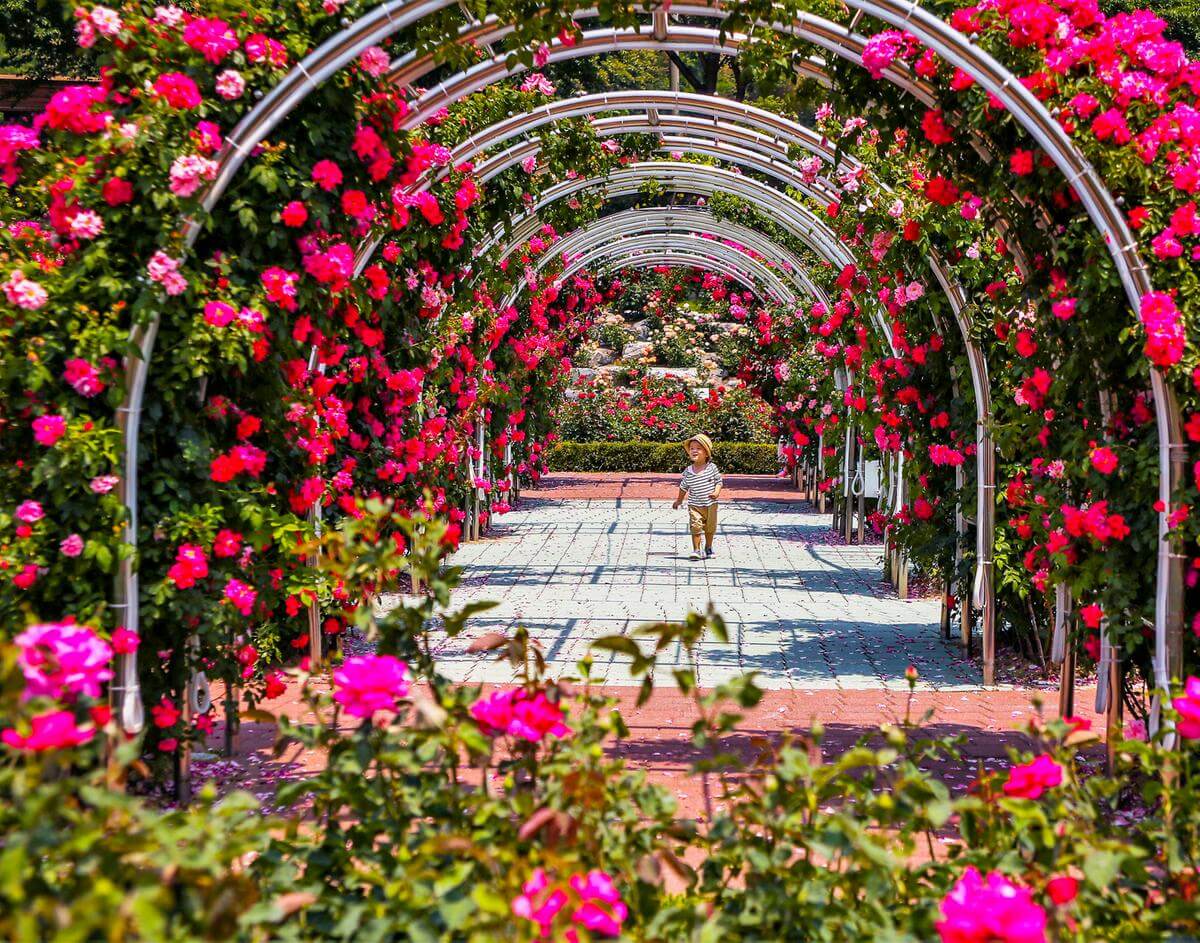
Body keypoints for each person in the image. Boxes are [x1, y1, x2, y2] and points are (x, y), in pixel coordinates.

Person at [672, 433, 723, 560]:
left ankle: (708, 547)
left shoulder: (712, 468)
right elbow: (683, 487)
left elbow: (719, 482)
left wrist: (716, 492)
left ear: (706, 453)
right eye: (692, 448)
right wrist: (679, 501)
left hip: (711, 504)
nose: (694, 450)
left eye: (698, 448)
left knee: (710, 527)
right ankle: (696, 549)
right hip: (694, 505)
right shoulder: (688, 471)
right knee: (695, 526)